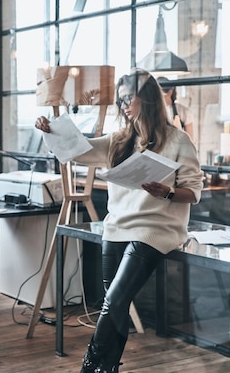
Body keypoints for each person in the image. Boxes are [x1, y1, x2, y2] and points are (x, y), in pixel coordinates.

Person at [35, 68, 202, 373]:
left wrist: (167, 193)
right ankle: (107, 368)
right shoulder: (119, 140)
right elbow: (78, 151)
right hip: (117, 227)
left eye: (129, 97)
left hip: (156, 229)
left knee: (114, 300)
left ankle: (89, 366)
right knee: (117, 303)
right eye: (121, 99)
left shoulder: (178, 140)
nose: (124, 104)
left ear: (148, 99)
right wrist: (50, 131)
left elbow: (193, 191)